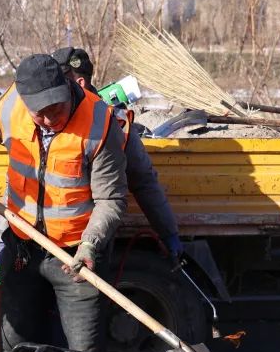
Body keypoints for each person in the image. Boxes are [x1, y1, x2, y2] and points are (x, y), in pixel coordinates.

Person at [0, 54, 127, 352]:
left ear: (67, 88)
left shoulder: (99, 123)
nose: (47, 120)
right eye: (38, 113)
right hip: (22, 249)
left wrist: (91, 245)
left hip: (76, 256)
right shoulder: (10, 106)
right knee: (17, 346)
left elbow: (111, 200)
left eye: (55, 109)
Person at [52, 46, 183, 264]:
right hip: (41, 240)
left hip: (88, 244)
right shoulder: (45, 118)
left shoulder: (114, 124)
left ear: (79, 83)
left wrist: (168, 233)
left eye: (58, 81)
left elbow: (143, 182)